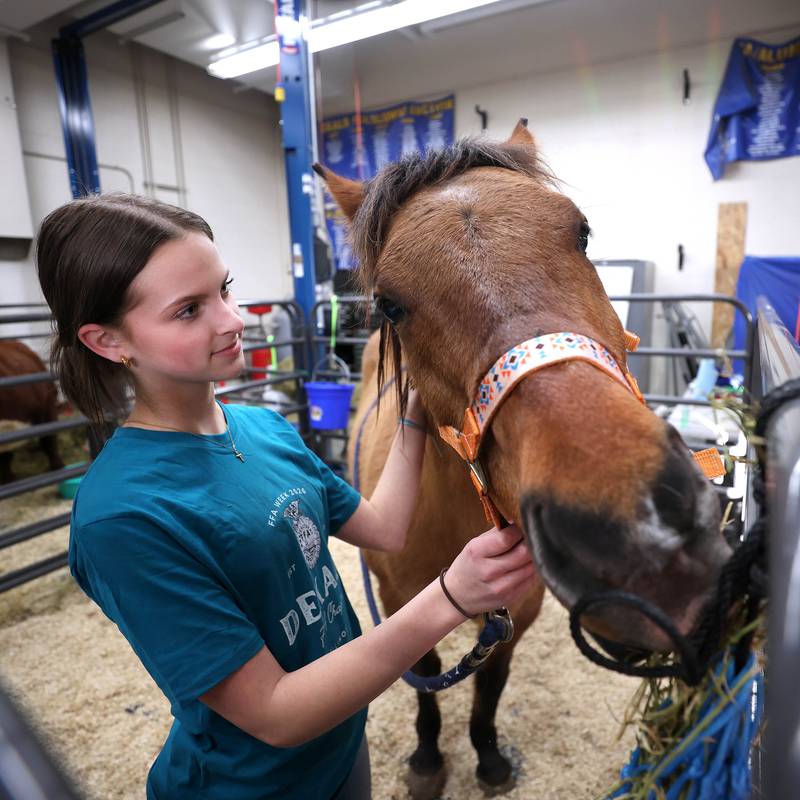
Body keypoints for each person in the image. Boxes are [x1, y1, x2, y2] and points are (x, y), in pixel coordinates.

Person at [35, 193, 535, 800]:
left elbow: (386, 530)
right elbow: (275, 714)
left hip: (342, 744)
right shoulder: (125, 517)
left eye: (225, 289)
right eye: (190, 310)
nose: (232, 319)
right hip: (254, 785)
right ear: (110, 342)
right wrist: (453, 597)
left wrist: (414, 408)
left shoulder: (264, 430)